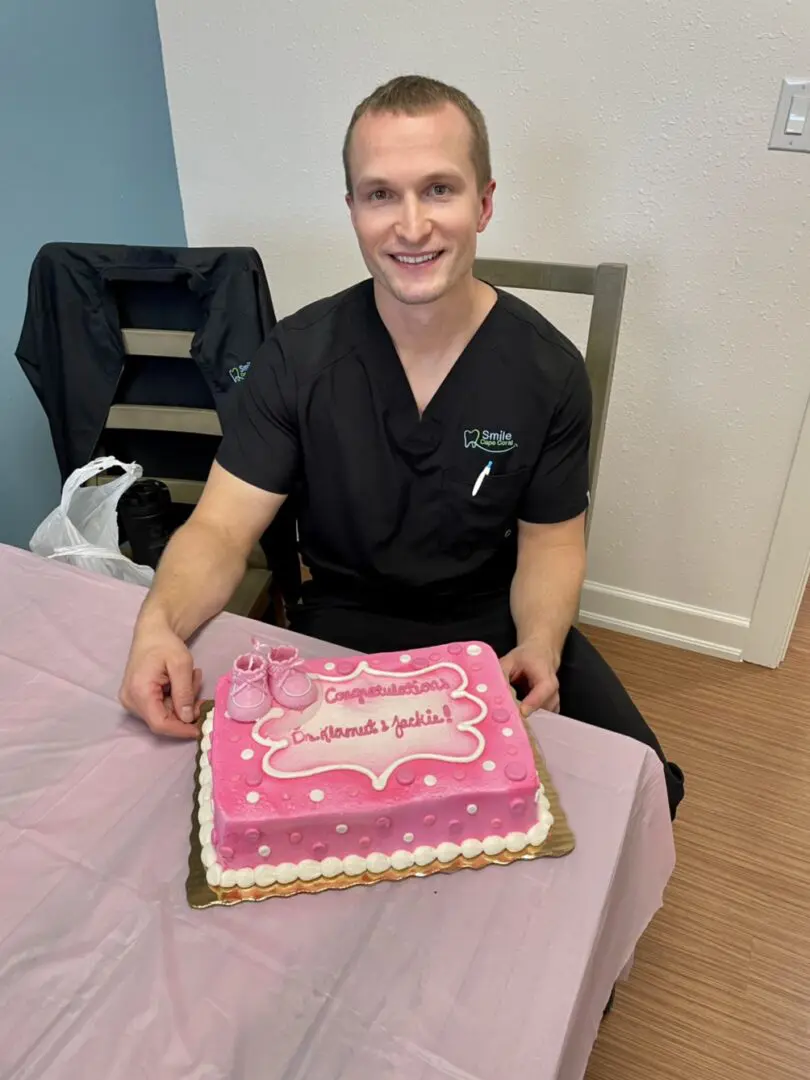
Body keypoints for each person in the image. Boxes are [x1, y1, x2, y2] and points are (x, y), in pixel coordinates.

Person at [119, 75, 684, 819]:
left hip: (495, 626)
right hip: (344, 627)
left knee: (638, 788)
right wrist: (158, 625)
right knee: (323, 817)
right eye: (381, 194)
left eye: (439, 190)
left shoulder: (547, 371)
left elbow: (550, 545)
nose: (411, 226)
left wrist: (541, 642)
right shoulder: (298, 358)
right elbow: (222, 528)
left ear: (484, 202)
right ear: (352, 208)